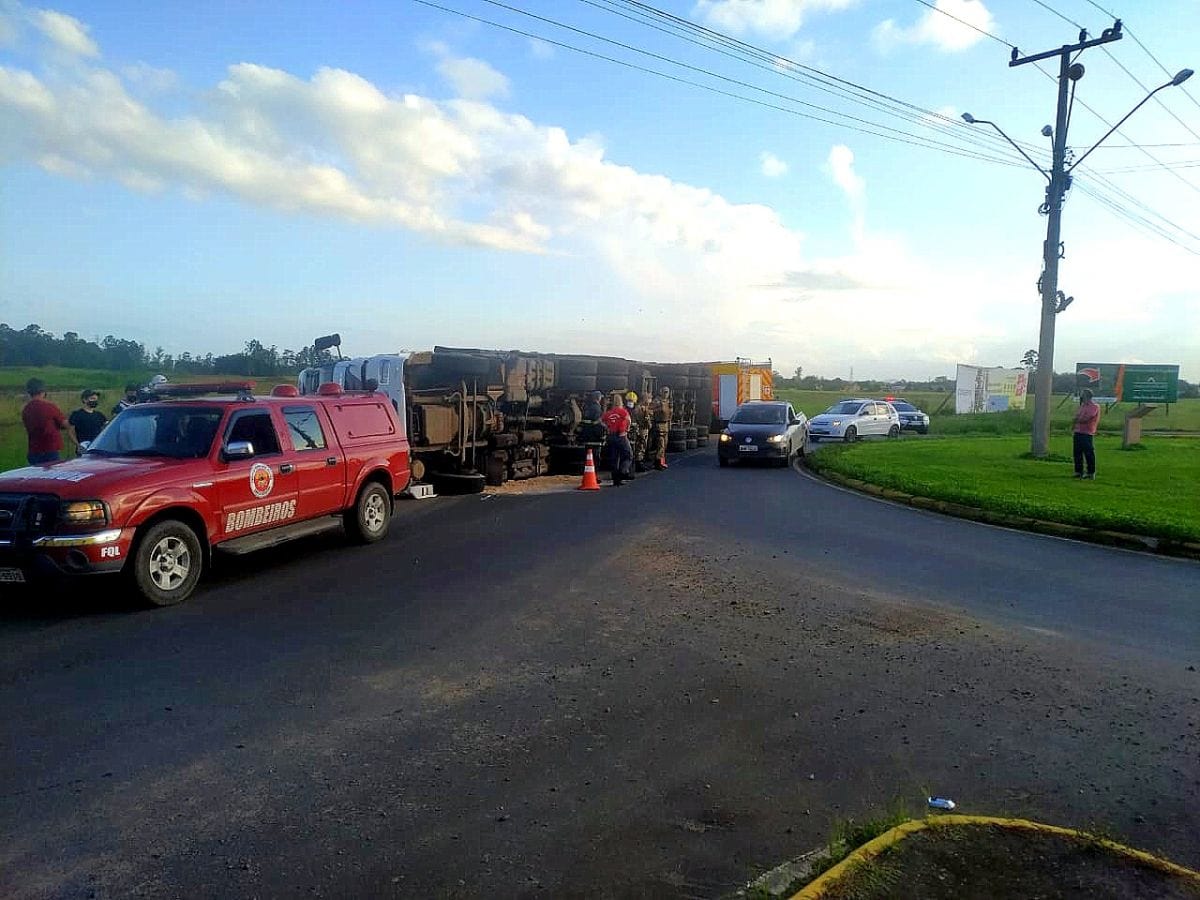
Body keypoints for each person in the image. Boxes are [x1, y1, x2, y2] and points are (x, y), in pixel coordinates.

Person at [21, 377, 71, 465]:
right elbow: (65, 424)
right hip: (50, 450)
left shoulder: (26, 409)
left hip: (33, 451)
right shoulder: (50, 407)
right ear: (43, 392)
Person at [601, 394, 634, 486]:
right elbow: (629, 420)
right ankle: (623, 471)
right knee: (628, 455)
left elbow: (601, 421)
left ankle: (616, 480)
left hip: (611, 436)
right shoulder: (623, 411)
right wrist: (627, 429)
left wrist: (608, 427)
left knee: (614, 458)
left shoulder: (609, 412)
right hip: (621, 435)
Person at [1071, 388, 1101, 479]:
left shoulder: (1094, 406)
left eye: (1082, 394)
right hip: (1078, 431)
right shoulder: (1082, 406)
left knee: (1088, 453)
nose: (1081, 396)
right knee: (1077, 452)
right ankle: (1078, 471)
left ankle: (1091, 472)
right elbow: (1077, 416)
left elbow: (1087, 418)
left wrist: (1077, 420)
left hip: (1087, 432)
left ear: (1087, 396)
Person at [68, 389, 108, 453]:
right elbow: (71, 432)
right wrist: (78, 445)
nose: (95, 401)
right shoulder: (77, 415)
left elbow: (106, 429)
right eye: (92, 399)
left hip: (97, 447)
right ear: (84, 400)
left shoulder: (100, 415)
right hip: (84, 447)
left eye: (96, 399)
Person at [648, 385, 672, 470]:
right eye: (664, 392)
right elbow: (650, 410)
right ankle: (658, 462)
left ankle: (660, 461)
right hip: (659, 424)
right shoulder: (657, 401)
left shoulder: (668, 402)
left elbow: (669, 414)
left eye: (667, 392)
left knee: (664, 444)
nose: (666, 394)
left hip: (665, 424)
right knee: (660, 444)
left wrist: (669, 424)